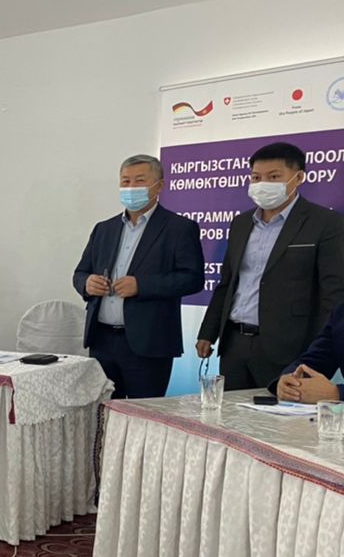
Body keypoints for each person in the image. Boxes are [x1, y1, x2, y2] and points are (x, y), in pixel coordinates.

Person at [197, 142, 344, 390]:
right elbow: (228, 283)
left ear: (298, 178)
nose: (263, 184)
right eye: (256, 177)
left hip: (290, 348)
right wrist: (208, 332)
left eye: (274, 177)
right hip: (234, 343)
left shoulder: (326, 223)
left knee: (279, 413)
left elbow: (333, 294)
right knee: (230, 412)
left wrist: (318, 352)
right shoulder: (241, 223)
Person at [73, 154, 204, 399]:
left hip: (149, 344)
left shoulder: (179, 228)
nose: (131, 187)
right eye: (126, 181)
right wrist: (87, 283)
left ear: (159, 186)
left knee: (142, 414)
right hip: (102, 341)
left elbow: (193, 279)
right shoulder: (104, 229)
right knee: (102, 412)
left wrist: (142, 286)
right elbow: (80, 273)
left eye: (139, 181)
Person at [274, 302, 344, 403]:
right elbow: (315, 360)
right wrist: (290, 380)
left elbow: (336, 394)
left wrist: (338, 393)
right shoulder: (340, 312)